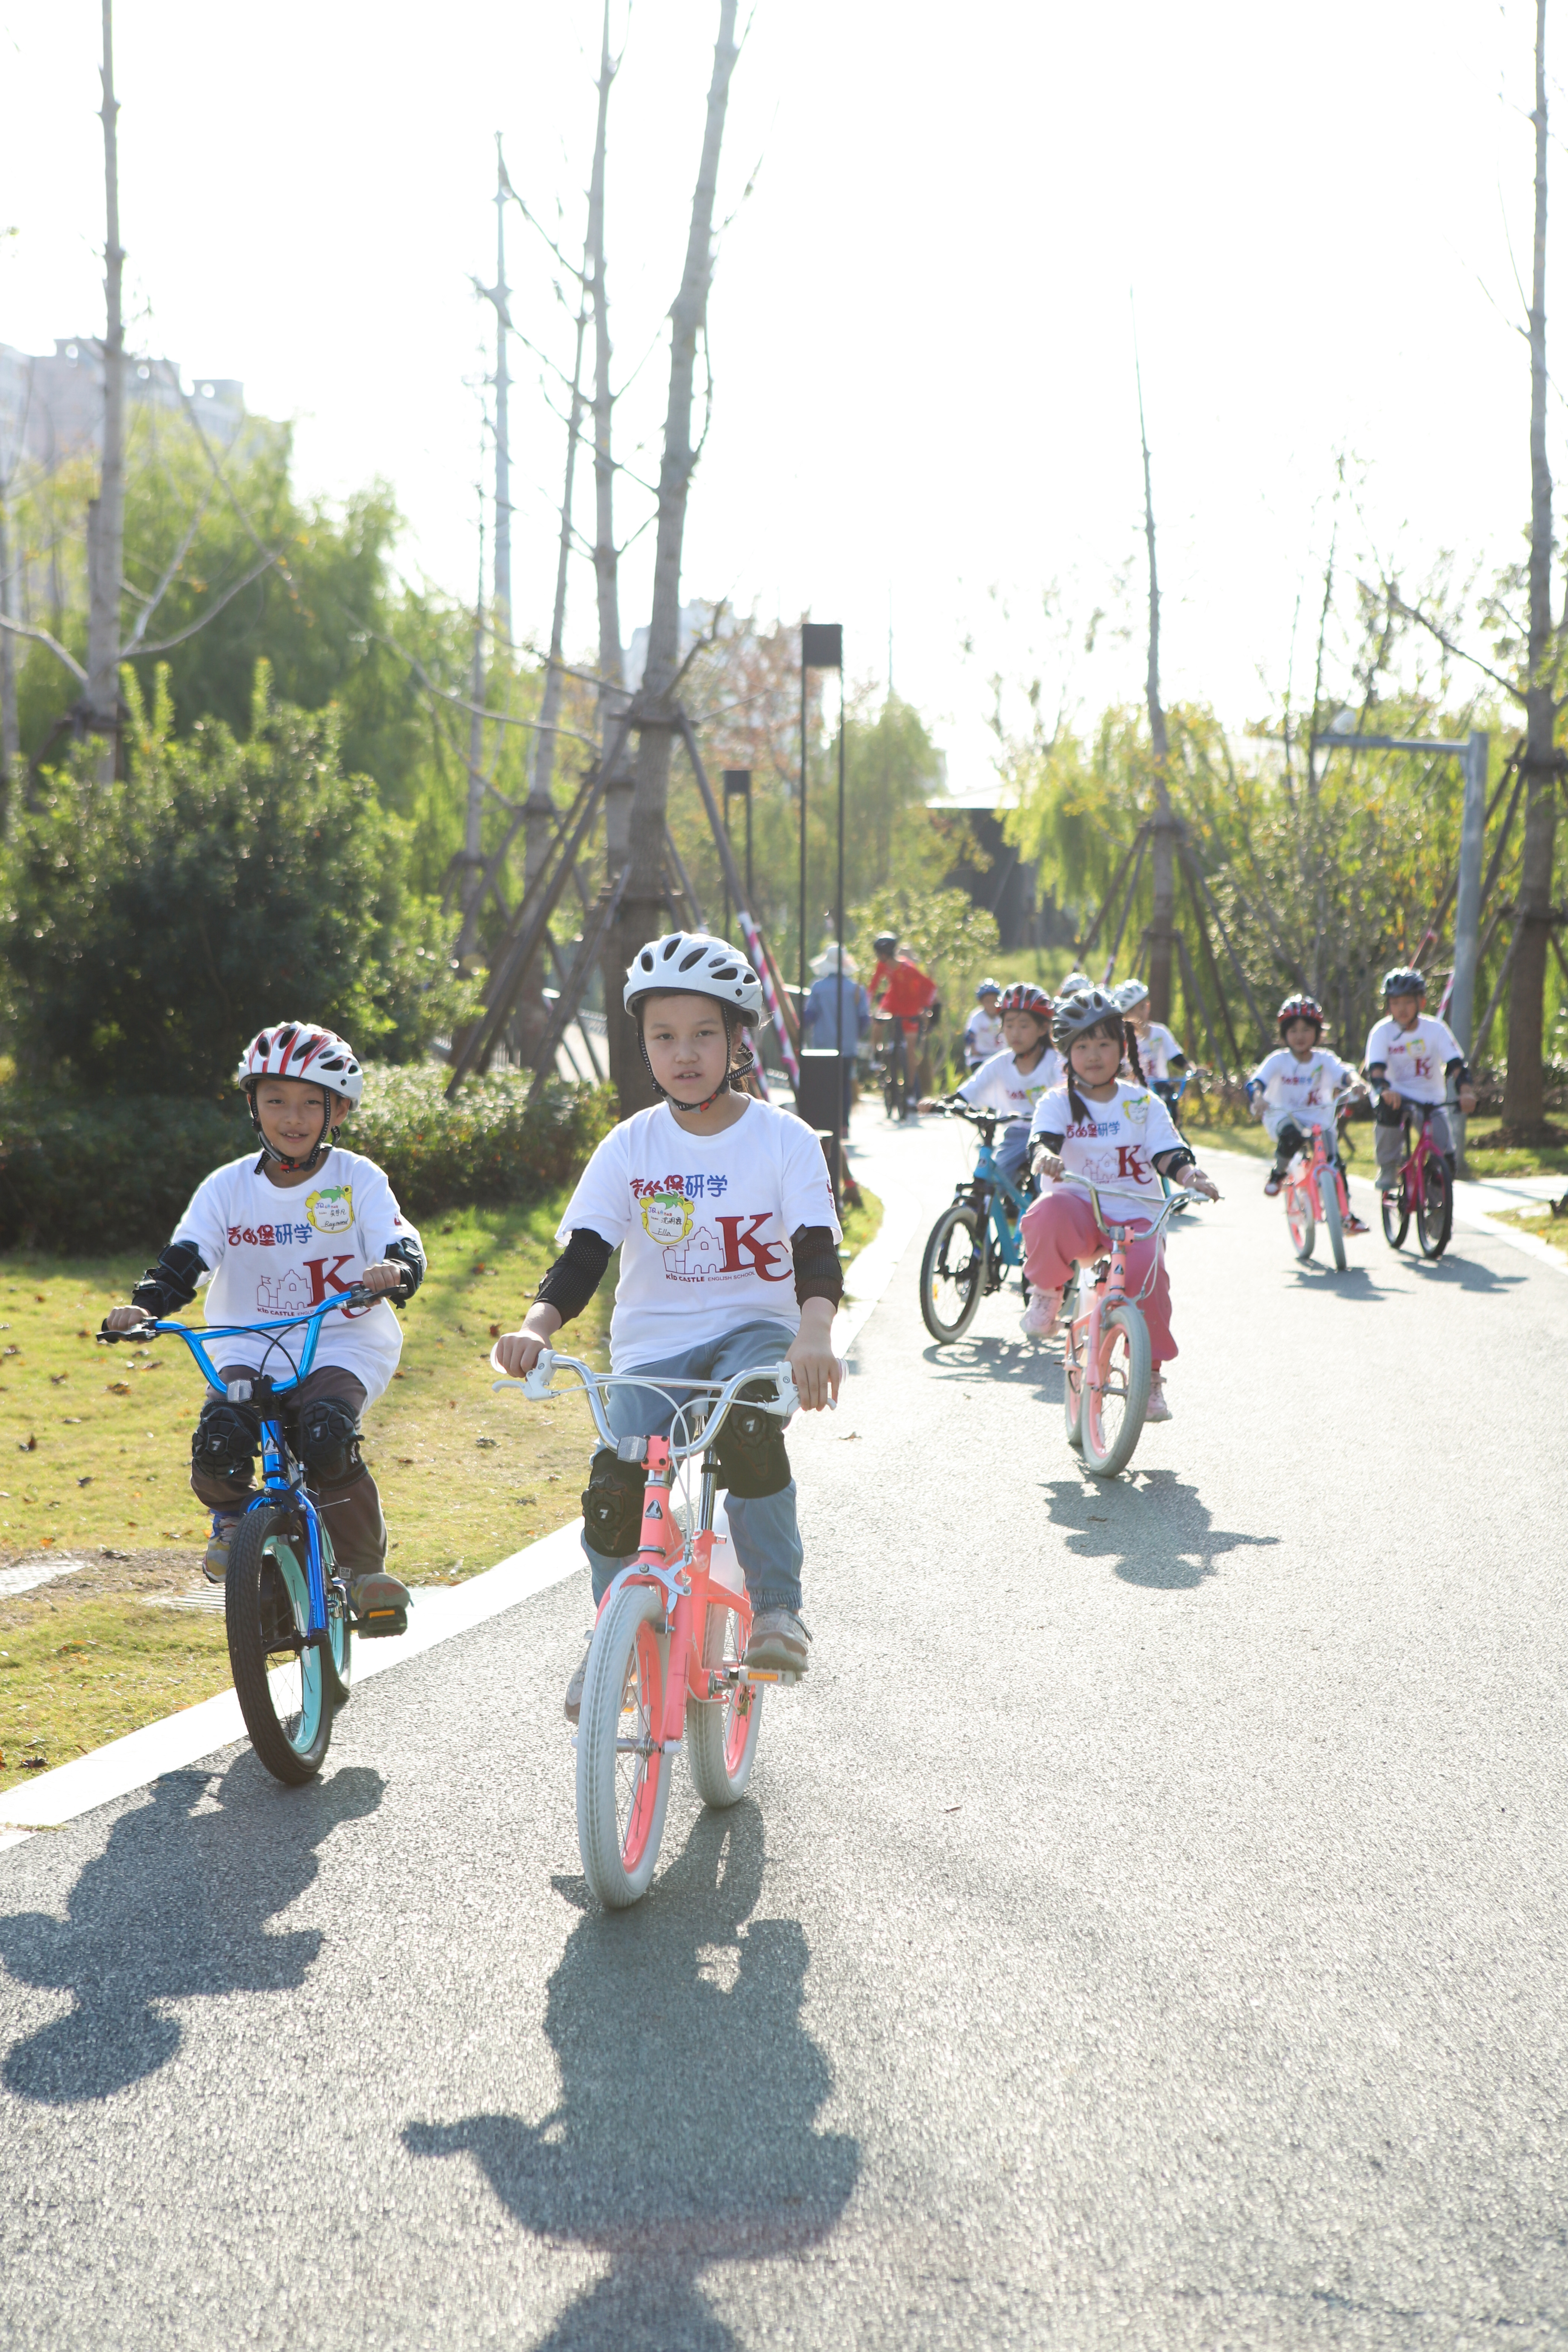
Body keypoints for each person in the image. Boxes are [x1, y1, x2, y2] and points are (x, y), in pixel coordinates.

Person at [495, 931, 844, 1719]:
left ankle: (779, 1608)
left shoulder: (783, 1141)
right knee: (613, 1490)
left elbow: (815, 1250)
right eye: (663, 1036)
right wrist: (537, 1326)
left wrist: (813, 1330)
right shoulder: (629, 1147)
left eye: (703, 1035)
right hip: (651, 1351)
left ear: (737, 1041)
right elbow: (583, 1258)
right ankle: (612, 1636)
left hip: (755, 1332)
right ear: (643, 1045)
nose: (683, 1053)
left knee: (749, 1430)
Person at [101, 1023, 425, 1634]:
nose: (293, 1117)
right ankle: (235, 1522)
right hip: (246, 1345)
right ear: (252, 1105)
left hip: (340, 1340)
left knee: (327, 1437)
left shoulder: (357, 1179)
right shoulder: (227, 1190)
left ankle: (362, 1572)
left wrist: (397, 1269)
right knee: (220, 1441)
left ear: (341, 1110)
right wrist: (146, 1307)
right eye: (276, 1099)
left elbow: (401, 1240)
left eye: (312, 1102)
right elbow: (184, 1262)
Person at [1018, 988, 1220, 1422]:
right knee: (1042, 1215)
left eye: (1104, 1043)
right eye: (1083, 1046)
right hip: (1078, 1211)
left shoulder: (1143, 1104)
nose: (1094, 1055)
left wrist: (1190, 1176)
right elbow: (1042, 1140)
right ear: (1066, 1053)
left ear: (1123, 1047)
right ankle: (1047, 1296)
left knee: (1151, 1275)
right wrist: (1042, 1157)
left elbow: (1169, 1152)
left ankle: (1148, 1377)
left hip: (1135, 1215)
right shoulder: (1055, 1103)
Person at [1246, 994, 1369, 1231]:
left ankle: (1346, 1216)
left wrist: (1357, 1083)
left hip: (1318, 1118)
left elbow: (1345, 1074)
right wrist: (1259, 1098)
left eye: (1306, 1029)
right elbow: (1256, 1083)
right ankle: (1278, 1173)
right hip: (1283, 1116)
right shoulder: (1278, 1060)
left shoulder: (1325, 1059)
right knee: (1291, 1137)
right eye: (1293, 1031)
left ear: (1317, 1032)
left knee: (1336, 1165)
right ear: (1284, 1035)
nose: (1300, 1036)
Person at [921, 982, 1058, 1194]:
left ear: (1042, 1028)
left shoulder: (1056, 1063)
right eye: (1009, 1025)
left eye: (1024, 1026)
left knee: (1048, 1193)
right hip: (1015, 1136)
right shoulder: (1000, 1062)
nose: (1015, 1033)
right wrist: (942, 1104)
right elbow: (970, 1090)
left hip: (1049, 1140)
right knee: (991, 1187)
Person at [1363, 965, 1477, 1192]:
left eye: (1407, 1002)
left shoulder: (1436, 1029)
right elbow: (1375, 1071)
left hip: (1430, 1100)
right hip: (1394, 1096)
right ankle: (1387, 1167)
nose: (1401, 1009)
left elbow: (1457, 1065)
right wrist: (1385, 1091)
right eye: (1395, 1003)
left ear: (1421, 1002)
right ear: (1388, 1005)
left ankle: (1436, 1213)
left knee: (1447, 1163)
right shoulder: (1381, 1032)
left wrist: (1466, 1091)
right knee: (1388, 1109)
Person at [869, 929, 939, 1110]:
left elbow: (930, 987)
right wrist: (867, 1006)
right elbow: (874, 985)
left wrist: (924, 1008)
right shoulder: (882, 966)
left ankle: (908, 1091)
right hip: (892, 1003)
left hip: (910, 1008)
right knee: (877, 1022)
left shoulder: (908, 968)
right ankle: (876, 1055)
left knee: (909, 1053)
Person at [802, 947, 872, 1124]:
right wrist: (854, 1035)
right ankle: (843, 1125)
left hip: (822, 1046)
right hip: (848, 1047)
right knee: (844, 1086)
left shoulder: (818, 987)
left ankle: (826, 1122)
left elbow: (809, 1016)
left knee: (825, 1086)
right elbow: (864, 1019)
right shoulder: (856, 989)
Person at [1113, 978, 1188, 1107]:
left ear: (1148, 1006)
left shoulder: (1160, 1033)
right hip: (1135, 1095)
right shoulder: (1122, 1040)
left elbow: (1177, 1057)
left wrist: (1191, 1068)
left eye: (1142, 1007)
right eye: (1132, 1011)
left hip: (1161, 1090)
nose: (1139, 1014)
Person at [962, 979, 1005, 1072]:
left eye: (994, 1001)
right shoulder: (977, 1017)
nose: (991, 1005)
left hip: (999, 1058)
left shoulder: (1003, 1017)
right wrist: (974, 1050)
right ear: (982, 1002)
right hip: (980, 1059)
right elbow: (970, 1035)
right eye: (988, 1001)